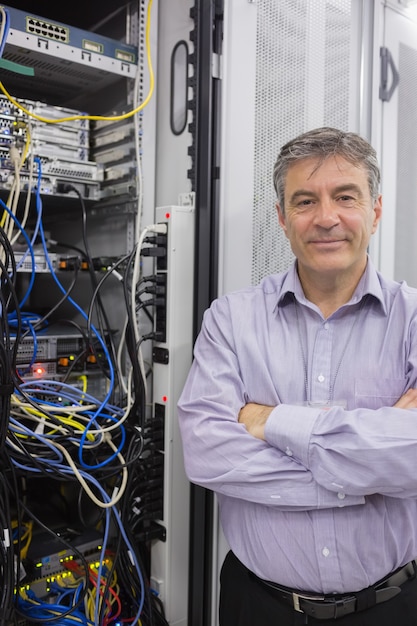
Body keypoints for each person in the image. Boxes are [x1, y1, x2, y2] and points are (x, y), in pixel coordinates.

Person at [177, 127, 417, 624]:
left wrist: (270, 422)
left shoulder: (413, 318)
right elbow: (205, 452)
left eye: (345, 196)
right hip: (258, 604)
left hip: (393, 606)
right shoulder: (230, 320)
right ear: (283, 219)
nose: (326, 218)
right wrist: (369, 470)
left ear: (374, 210)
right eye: (305, 201)